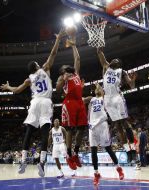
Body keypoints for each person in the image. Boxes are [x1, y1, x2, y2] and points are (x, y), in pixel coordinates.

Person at [0, 30, 65, 177]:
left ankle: (23, 161)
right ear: (36, 65)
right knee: (44, 135)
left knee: (29, 132)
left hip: (34, 103)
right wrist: (58, 39)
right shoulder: (45, 68)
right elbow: (53, 54)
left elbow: (16, 90)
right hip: (46, 102)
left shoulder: (29, 79)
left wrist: (8, 87)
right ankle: (41, 163)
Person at [96, 48, 137, 154]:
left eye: (116, 60)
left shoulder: (122, 71)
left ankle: (132, 146)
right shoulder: (106, 66)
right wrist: (99, 47)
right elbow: (99, 54)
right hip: (107, 99)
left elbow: (132, 86)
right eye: (113, 60)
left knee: (124, 122)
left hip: (117, 97)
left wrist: (133, 80)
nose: (113, 60)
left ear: (119, 64)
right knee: (117, 125)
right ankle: (128, 150)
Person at [56, 35, 87, 170]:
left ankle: (76, 153)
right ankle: (68, 155)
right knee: (69, 130)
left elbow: (78, 59)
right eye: (64, 69)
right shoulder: (63, 77)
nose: (66, 68)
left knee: (81, 129)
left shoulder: (76, 74)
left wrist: (74, 45)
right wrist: (63, 79)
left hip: (79, 102)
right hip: (69, 104)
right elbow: (57, 89)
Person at [87, 83, 124, 186]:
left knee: (108, 149)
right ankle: (96, 174)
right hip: (92, 127)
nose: (97, 89)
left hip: (102, 124)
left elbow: (107, 93)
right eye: (96, 89)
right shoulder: (91, 99)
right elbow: (83, 102)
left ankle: (119, 168)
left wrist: (100, 85)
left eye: (99, 88)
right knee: (93, 151)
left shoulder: (104, 98)